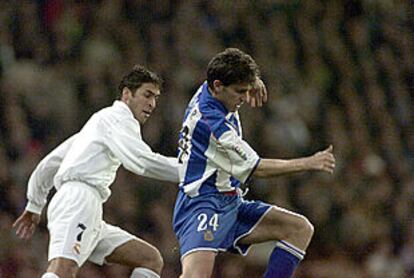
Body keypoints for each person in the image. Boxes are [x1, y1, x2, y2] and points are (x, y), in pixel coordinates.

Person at [172, 48, 336, 278]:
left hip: (230, 201)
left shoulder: (207, 89)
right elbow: (257, 168)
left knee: (299, 229)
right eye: (240, 92)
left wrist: (253, 80)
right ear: (218, 86)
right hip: (201, 204)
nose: (243, 97)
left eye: (246, 90)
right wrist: (309, 162)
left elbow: (226, 62)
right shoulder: (213, 126)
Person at [13, 65, 182, 278]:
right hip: (78, 200)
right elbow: (142, 161)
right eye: (147, 95)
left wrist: (35, 203)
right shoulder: (119, 118)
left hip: (87, 207)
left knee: (149, 259)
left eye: (155, 98)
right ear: (127, 94)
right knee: (62, 270)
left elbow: (50, 163)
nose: (152, 103)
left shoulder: (98, 124)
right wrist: (191, 171)